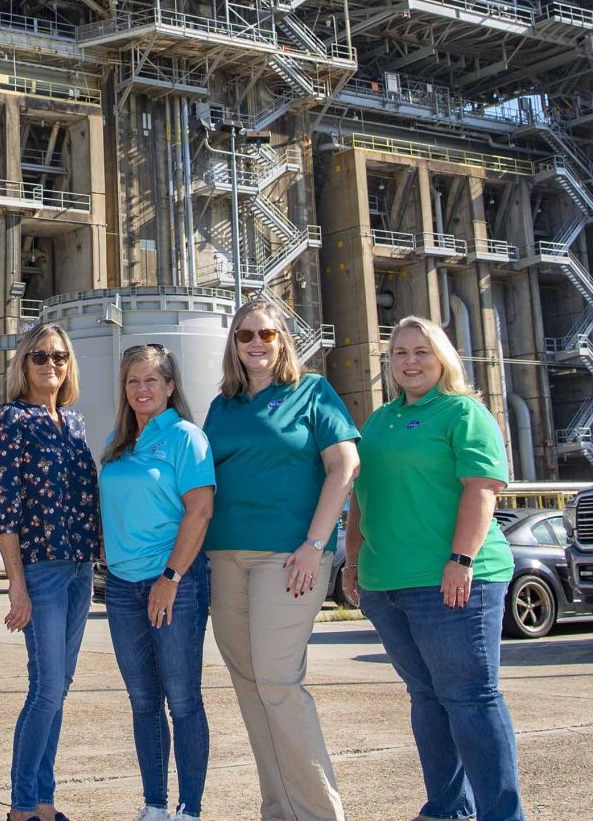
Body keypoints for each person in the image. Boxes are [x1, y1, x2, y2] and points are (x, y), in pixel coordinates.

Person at [342, 316, 524, 821]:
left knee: (470, 699)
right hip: (387, 584)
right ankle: (447, 810)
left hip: (453, 581)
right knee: (426, 699)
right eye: (400, 352)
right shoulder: (380, 421)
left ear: (442, 357)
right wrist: (353, 561)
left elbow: (482, 488)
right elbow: (360, 496)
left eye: (421, 351)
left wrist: (461, 560)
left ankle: (501, 814)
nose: (410, 361)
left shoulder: (462, 412)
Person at [201, 298, 360, 821]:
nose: (255, 343)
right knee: (249, 687)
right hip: (225, 557)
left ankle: (318, 812)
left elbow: (344, 466)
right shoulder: (223, 404)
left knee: (276, 680)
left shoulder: (311, 392)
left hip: (288, 558)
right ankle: (279, 809)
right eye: (245, 335)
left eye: (266, 334)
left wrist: (316, 546)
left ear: (283, 339)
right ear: (234, 344)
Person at [0, 322, 99, 821]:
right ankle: (22, 807)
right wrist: (17, 584)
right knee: (46, 688)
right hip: (43, 569)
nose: (52, 364)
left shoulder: (73, 423)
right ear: (23, 364)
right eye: (41, 357)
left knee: (60, 688)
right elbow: (0, 507)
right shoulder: (8, 420)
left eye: (60, 357)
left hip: (79, 569)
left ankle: (45, 803)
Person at [99, 344, 215, 821]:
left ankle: (189, 808)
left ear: (170, 387)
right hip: (123, 587)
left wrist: (170, 576)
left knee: (182, 699)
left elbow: (200, 509)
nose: (141, 389)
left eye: (151, 380)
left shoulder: (187, 438)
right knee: (143, 700)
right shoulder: (118, 443)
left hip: (174, 584)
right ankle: (155, 805)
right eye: (133, 381)